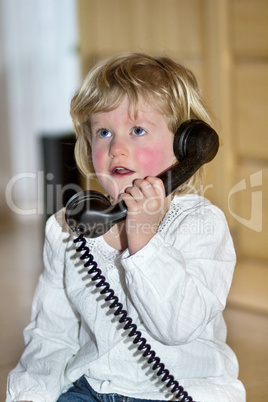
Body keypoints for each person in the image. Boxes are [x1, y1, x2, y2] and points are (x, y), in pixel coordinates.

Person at [6, 53, 245, 402]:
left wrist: (144, 240)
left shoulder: (200, 224)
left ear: (186, 148)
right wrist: (31, 394)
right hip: (94, 386)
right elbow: (52, 333)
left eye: (137, 130)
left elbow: (178, 326)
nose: (116, 148)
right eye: (104, 132)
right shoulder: (70, 227)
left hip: (179, 390)